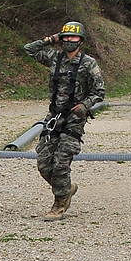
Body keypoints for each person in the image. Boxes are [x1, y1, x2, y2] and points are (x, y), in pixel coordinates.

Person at [24, 21, 106, 220]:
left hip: (74, 120)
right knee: (44, 164)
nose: (69, 40)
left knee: (61, 163)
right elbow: (29, 50)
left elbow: (99, 91)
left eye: (73, 37)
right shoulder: (54, 57)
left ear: (81, 40)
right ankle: (67, 188)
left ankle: (59, 204)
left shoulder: (88, 63)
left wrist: (85, 106)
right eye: (66, 37)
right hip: (54, 117)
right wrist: (50, 39)